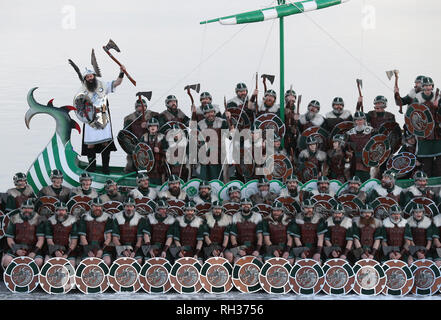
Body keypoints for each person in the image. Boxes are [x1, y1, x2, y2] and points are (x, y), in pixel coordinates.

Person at [76, 64, 125, 174]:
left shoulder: (103, 85)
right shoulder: (82, 90)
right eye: (87, 77)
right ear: (85, 79)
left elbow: (117, 83)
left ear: (94, 76)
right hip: (90, 119)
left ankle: (105, 167)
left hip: (103, 116)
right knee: (90, 144)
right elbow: (78, 105)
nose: (90, 78)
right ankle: (92, 166)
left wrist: (121, 73)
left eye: (91, 76)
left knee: (105, 143)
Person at [2, 199, 45, 268]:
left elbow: (41, 239)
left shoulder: (38, 219)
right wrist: (16, 250)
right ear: (21, 209)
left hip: (32, 248)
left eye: (29, 208)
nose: (27, 210)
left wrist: (33, 252)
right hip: (16, 246)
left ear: (33, 209)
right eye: (24, 208)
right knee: (7, 260)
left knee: (38, 261)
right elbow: (9, 238)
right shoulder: (14, 218)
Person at [413, 77, 441, 177]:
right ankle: (425, 185)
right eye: (425, 86)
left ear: (432, 86)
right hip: (424, 133)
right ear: (423, 87)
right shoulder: (418, 98)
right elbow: (413, 114)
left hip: (438, 133)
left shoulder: (438, 97)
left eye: (429, 85)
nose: (428, 87)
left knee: (439, 162)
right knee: (426, 163)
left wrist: (438, 107)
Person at [123, 98, 159, 173]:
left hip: (148, 143)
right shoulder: (129, 118)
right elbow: (125, 134)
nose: (142, 108)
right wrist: (132, 147)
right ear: (136, 107)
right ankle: (131, 177)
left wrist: (148, 125)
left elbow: (158, 125)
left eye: (144, 106)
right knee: (131, 164)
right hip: (135, 144)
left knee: (151, 162)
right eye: (139, 106)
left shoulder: (152, 115)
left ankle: (150, 175)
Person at [197, 103, 229, 181]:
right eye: (207, 113)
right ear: (204, 115)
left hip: (219, 151)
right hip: (205, 151)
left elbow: (228, 135)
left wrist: (229, 120)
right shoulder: (200, 124)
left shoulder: (222, 122)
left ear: (214, 112)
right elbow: (198, 139)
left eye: (211, 112)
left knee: (218, 175)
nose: (210, 114)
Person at [78, 198, 113, 266]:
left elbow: (108, 237)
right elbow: (82, 237)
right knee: (88, 263)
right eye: (95, 206)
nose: (98, 208)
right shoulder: (85, 217)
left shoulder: (107, 217)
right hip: (88, 245)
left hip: (102, 245)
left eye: (99, 206)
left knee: (107, 261)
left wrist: (101, 250)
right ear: (91, 207)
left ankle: (105, 276)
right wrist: (88, 250)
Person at [112, 197, 144, 264]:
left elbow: (140, 239)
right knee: (120, 260)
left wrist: (134, 251)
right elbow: (115, 238)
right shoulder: (117, 218)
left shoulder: (140, 218)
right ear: (124, 207)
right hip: (121, 245)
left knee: (138, 261)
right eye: (127, 206)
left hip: (135, 246)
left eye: (131, 206)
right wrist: (123, 250)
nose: (129, 208)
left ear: (134, 207)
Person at [229, 198, 263, 262]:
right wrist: (238, 250)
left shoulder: (257, 216)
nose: (246, 206)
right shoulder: (235, 216)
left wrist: (257, 250)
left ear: (251, 206)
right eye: (243, 204)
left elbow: (260, 236)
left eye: (248, 204)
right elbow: (233, 237)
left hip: (254, 246)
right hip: (239, 246)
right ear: (240, 206)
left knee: (259, 261)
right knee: (237, 261)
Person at [44, 202, 78, 267]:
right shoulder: (50, 221)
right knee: (47, 263)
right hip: (53, 248)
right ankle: (49, 276)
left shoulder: (72, 221)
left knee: (70, 265)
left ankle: (69, 277)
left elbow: (74, 242)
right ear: (56, 211)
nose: (61, 212)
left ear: (66, 211)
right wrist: (56, 250)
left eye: (63, 210)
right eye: (59, 210)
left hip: (68, 249)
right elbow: (49, 240)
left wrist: (66, 254)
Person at [346, 111, 374, 182]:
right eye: (357, 120)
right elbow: (347, 147)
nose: (360, 121)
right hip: (354, 161)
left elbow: (376, 144)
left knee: (367, 180)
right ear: (355, 121)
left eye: (361, 119)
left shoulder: (371, 131)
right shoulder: (350, 133)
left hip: (368, 160)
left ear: (364, 120)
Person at [139, 118, 168, 186]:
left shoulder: (162, 137)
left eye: (154, 126)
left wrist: (160, 151)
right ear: (148, 128)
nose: (153, 127)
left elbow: (168, 152)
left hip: (159, 166)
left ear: (157, 128)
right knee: (147, 184)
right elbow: (139, 151)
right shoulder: (144, 137)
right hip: (147, 166)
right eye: (151, 126)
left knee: (159, 185)